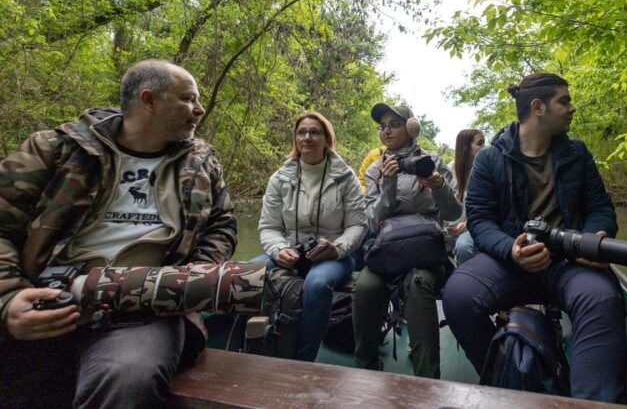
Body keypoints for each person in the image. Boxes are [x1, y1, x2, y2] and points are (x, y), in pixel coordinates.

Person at [0, 60, 237, 409]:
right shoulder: (55, 149)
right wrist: (7, 298)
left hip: (142, 312)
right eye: (188, 99)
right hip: (42, 295)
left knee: (128, 378)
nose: (199, 110)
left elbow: (222, 225)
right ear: (149, 100)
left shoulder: (201, 164)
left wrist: (188, 280)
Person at [441, 73, 627, 402]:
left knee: (602, 299)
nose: (572, 108)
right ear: (538, 107)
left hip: (569, 264)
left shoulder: (577, 154)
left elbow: (600, 208)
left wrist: (594, 236)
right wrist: (510, 250)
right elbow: (481, 222)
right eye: (564, 101)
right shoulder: (490, 158)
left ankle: (586, 401)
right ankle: (509, 382)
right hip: (511, 263)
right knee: (457, 295)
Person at [352, 103, 461, 379]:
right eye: (382, 126)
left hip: (427, 251)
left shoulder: (432, 161)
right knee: (365, 285)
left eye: (394, 124)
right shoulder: (376, 169)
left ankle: (427, 377)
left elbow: (453, 212)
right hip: (388, 251)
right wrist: (387, 186)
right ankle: (366, 364)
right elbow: (371, 221)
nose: (386, 131)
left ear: (411, 128)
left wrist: (439, 187)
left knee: (419, 283)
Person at [258, 111, 366, 362]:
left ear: (327, 139)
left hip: (334, 255)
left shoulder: (345, 177)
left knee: (317, 284)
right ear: (295, 139)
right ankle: (254, 347)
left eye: (314, 132)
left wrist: (337, 248)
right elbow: (268, 226)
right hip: (290, 250)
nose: (307, 137)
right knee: (249, 273)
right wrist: (278, 249)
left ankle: (302, 360)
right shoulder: (280, 178)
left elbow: (357, 226)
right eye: (301, 132)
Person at [446, 128, 485, 265]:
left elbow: (488, 206)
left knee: (464, 246)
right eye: (480, 143)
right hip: (448, 230)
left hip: (473, 227)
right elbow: (440, 201)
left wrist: (469, 224)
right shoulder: (448, 170)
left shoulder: (485, 171)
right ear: (466, 147)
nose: (484, 147)